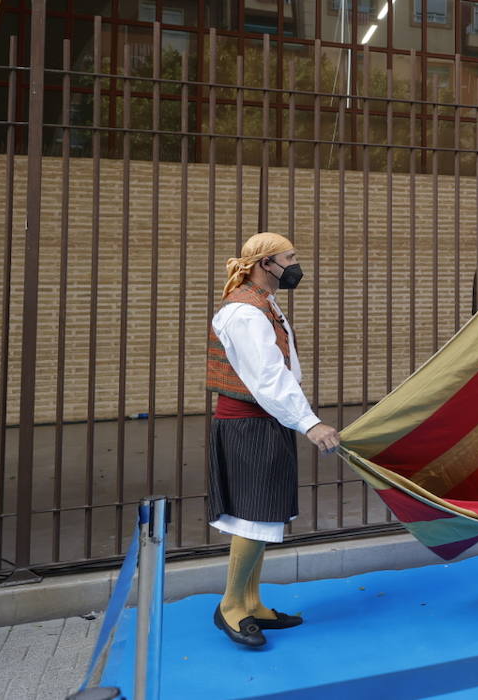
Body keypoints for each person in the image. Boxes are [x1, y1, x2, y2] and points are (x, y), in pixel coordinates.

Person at [207, 232, 341, 648]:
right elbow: (267, 378)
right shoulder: (245, 313)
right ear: (266, 264)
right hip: (249, 423)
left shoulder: (264, 303)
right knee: (253, 516)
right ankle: (231, 605)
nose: (295, 265)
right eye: (290, 257)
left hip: (266, 421)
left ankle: (252, 601)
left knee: (264, 514)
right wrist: (309, 423)